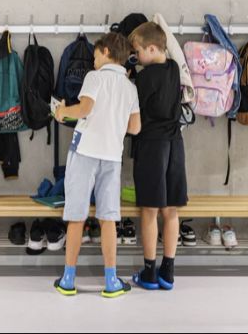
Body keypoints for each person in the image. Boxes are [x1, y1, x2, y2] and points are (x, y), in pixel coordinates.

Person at [53, 32, 141, 298]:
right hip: (112, 156)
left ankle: (68, 280)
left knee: (77, 216)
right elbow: (135, 128)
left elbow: (84, 109)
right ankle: (111, 281)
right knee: (108, 218)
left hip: (85, 152)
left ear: (105, 52)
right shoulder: (130, 87)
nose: (93, 59)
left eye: (94, 55)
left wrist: (62, 112)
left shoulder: (94, 77)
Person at [128, 22, 187, 291]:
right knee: (170, 209)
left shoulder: (145, 77)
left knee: (149, 210)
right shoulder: (174, 68)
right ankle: (168, 271)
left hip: (152, 146)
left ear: (152, 49)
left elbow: (133, 107)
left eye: (139, 51)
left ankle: (150, 272)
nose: (137, 57)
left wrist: (131, 76)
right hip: (175, 144)